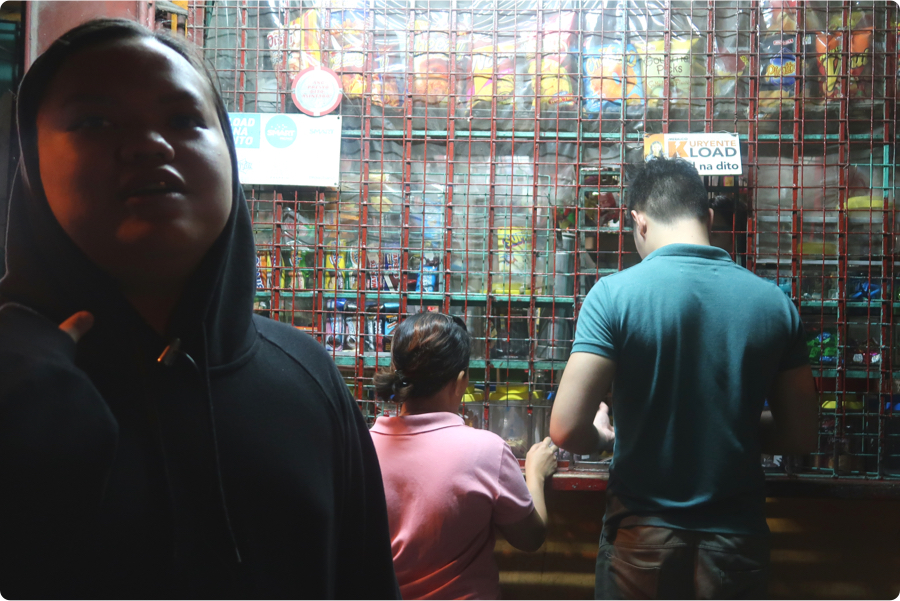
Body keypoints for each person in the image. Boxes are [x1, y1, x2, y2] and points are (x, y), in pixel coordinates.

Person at [0, 18, 399, 599]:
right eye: (93, 120)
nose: (149, 143)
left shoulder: (306, 375)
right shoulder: (15, 379)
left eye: (184, 120)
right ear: (30, 167)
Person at [549, 156, 818, 599]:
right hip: (735, 542)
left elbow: (565, 428)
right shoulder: (773, 304)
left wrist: (607, 436)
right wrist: (724, 423)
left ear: (638, 222)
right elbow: (800, 433)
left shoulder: (613, 296)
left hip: (640, 537)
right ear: (708, 217)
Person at [370, 311, 558, 600]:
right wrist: (535, 473)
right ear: (460, 380)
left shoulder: (363, 447)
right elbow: (530, 537)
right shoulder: (486, 452)